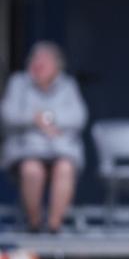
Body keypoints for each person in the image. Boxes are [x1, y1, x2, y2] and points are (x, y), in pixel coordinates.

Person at [0, 42, 87, 233]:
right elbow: (7, 114)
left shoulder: (68, 85)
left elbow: (78, 118)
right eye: (35, 60)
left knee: (65, 167)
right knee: (32, 170)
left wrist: (48, 118)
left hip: (61, 149)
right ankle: (35, 223)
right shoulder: (18, 82)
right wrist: (34, 120)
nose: (38, 64)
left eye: (44, 61)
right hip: (27, 149)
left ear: (57, 65)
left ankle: (54, 225)